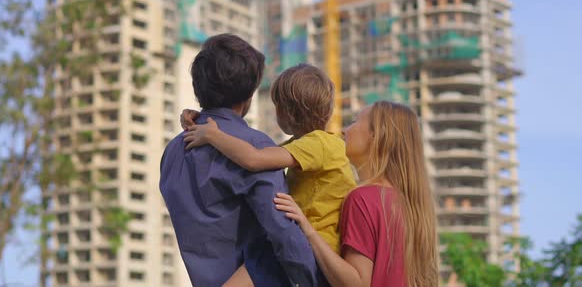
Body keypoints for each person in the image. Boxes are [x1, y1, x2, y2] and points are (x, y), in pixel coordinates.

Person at [160, 34, 324, 287]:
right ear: (250, 92)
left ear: (198, 87)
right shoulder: (256, 147)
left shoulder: (172, 154)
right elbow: (284, 234)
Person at [183, 64, 357, 285]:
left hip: (315, 252)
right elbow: (253, 151)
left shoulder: (319, 145)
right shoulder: (312, 145)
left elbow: (254, 159)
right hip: (311, 247)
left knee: (257, 262)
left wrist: (212, 135)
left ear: (288, 113)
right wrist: (200, 120)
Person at [274, 101, 440, 286]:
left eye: (354, 121)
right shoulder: (410, 204)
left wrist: (307, 229)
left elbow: (356, 283)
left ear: (377, 135)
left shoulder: (363, 199)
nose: (344, 130)